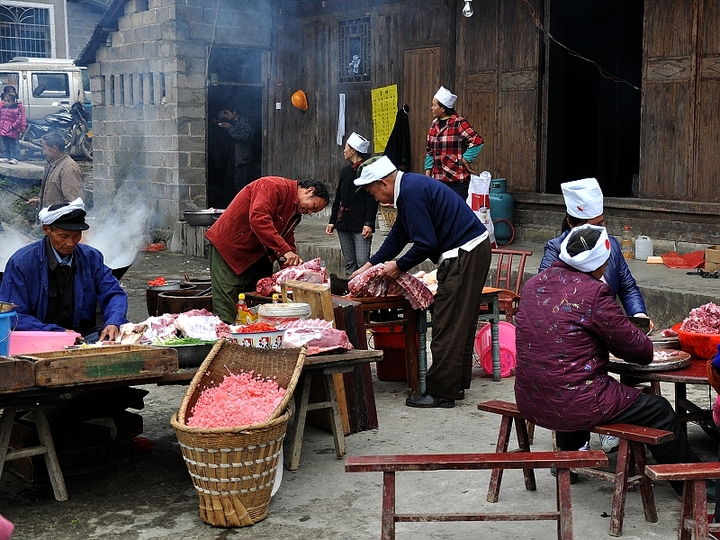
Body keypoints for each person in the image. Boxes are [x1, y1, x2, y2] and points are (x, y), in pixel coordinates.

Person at [514, 224, 699, 488]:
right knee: (659, 409)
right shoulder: (593, 292)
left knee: (564, 379)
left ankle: (572, 458)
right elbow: (640, 351)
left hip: (530, 396)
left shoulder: (533, 284)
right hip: (575, 399)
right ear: (599, 264)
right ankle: (690, 483)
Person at [350, 156, 491, 408]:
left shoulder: (411, 194)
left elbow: (426, 244)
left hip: (464, 254)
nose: (376, 199)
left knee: (447, 324)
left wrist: (399, 266)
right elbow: (399, 234)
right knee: (458, 321)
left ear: (384, 183)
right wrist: (370, 264)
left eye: (373, 193)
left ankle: (442, 393)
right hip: (468, 251)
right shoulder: (409, 189)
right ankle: (454, 386)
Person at [205, 176, 330, 324]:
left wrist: (295, 267)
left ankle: (251, 342)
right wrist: (284, 250)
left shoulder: (295, 214)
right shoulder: (272, 186)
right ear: (310, 191)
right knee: (227, 306)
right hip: (230, 248)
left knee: (255, 306)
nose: (309, 212)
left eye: (314, 212)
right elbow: (259, 218)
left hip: (257, 255)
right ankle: (224, 344)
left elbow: (286, 239)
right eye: (313, 207)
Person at [0, 198, 128, 342]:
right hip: (39, 337)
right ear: (46, 229)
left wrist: (114, 322)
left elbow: (114, 293)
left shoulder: (91, 257)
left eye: (76, 236)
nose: (71, 243)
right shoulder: (21, 263)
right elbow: (13, 315)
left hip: (84, 335)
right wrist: (59, 333)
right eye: (63, 236)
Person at [538, 177, 647, 318]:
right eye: (591, 227)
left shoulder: (611, 245)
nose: (598, 233)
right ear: (570, 223)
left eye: (600, 225)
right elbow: (546, 295)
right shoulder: (556, 250)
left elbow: (627, 287)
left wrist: (639, 315)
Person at [325, 132, 378, 276]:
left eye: (346, 147)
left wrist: (369, 223)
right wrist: (332, 221)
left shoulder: (367, 171)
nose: (344, 150)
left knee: (362, 261)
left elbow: (372, 200)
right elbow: (339, 198)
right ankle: (351, 290)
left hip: (361, 223)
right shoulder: (345, 171)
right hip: (343, 222)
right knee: (350, 262)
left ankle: (365, 292)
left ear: (353, 150)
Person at [424, 86, 484, 201]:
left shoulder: (458, 123)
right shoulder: (434, 125)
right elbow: (429, 152)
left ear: (443, 108)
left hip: (457, 182)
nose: (431, 108)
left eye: (434, 105)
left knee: (457, 215)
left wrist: (466, 159)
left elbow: (477, 141)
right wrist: (428, 177)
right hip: (438, 182)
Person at [27, 131, 84, 209]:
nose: (43, 152)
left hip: (59, 220)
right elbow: (56, 195)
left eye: (44, 148)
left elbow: (73, 204)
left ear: (54, 149)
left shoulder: (70, 169)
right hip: (49, 219)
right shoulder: (51, 164)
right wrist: (40, 201)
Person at [217, 108, 254, 199]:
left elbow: (244, 136)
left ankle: (240, 207)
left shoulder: (244, 122)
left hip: (241, 159)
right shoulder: (229, 122)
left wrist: (230, 128)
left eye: (227, 113)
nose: (225, 116)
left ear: (234, 112)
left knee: (240, 185)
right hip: (231, 158)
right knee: (228, 184)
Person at [0, 91, 26, 164]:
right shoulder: (2, 109)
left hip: (11, 131)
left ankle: (15, 158)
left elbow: (19, 120)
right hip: (3, 130)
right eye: (5, 101)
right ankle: (6, 157)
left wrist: (12, 127)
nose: (6, 103)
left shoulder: (16, 110)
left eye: (8, 101)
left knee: (13, 145)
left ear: (13, 101)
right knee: (5, 145)